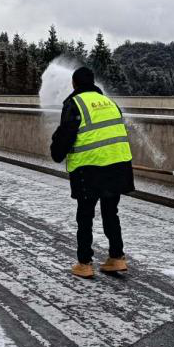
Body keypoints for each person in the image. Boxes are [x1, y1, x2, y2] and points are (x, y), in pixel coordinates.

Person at [50, 66, 134, 278]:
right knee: (110, 213)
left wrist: (57, 152)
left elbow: (66, 134)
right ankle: (116, 257)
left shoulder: (74, 103)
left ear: (74, 83)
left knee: (85, 215)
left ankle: (85, 263)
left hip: (90, 167)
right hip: (118, 165)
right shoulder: (110, 103)